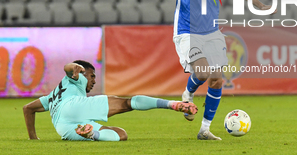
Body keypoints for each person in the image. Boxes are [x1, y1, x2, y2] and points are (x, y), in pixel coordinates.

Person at [119, 0, 276, 140]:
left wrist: (261, 6)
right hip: (186, 31)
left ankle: (204, 129)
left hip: (212, 31)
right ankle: (188, 94)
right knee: (202, 72)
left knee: (217, 80)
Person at [23, 60, 197, 141]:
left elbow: (27, 108)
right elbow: (68, 69)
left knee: (121, 134)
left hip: (63, 128)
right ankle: (172, 104)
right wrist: (74, 68)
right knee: (127, 103)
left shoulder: (52, 96)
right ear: (84, 74)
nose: (93, 81)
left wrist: (33, 138)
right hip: (73, 108)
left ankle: (92, 134)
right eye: (92, 76)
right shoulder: (77, 78)